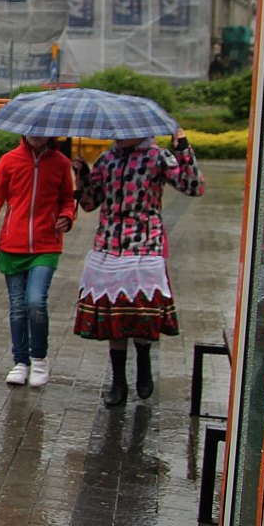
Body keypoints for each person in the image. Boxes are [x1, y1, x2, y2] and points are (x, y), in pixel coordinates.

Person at [71, 129, 204, 405]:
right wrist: (82, 173)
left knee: (142, 312)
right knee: (114, 316)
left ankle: (144, 364)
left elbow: (193, 186)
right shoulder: (107, 159)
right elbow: (89, 203)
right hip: (108, 245)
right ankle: (118, 381)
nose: (118, 134)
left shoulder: (157, 156)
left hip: (145, 246)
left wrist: (183, 150)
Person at [0, 135, 77, 388]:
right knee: (17, 307)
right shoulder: (9, 161)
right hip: (12, 246)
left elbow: (68, 200)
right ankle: (20, 362)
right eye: (31, 129)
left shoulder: (61, 163)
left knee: (35, 301)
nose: (36, 134)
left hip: (46, 245)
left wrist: (67, 216)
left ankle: (39, 359)